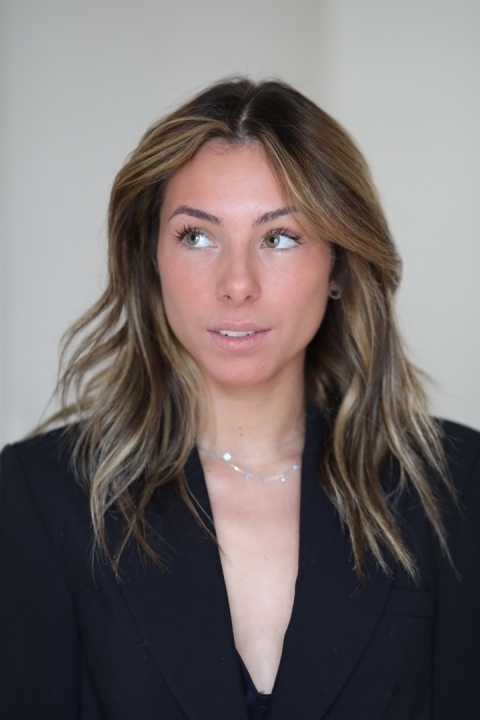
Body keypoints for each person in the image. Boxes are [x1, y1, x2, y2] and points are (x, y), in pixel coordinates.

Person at [0, 78, 479, 720]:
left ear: (339, 266)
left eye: (278, 237)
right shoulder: (41, 495)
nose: (236, 284)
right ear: (151, 258)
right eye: (197, 236)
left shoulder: (455, 486)